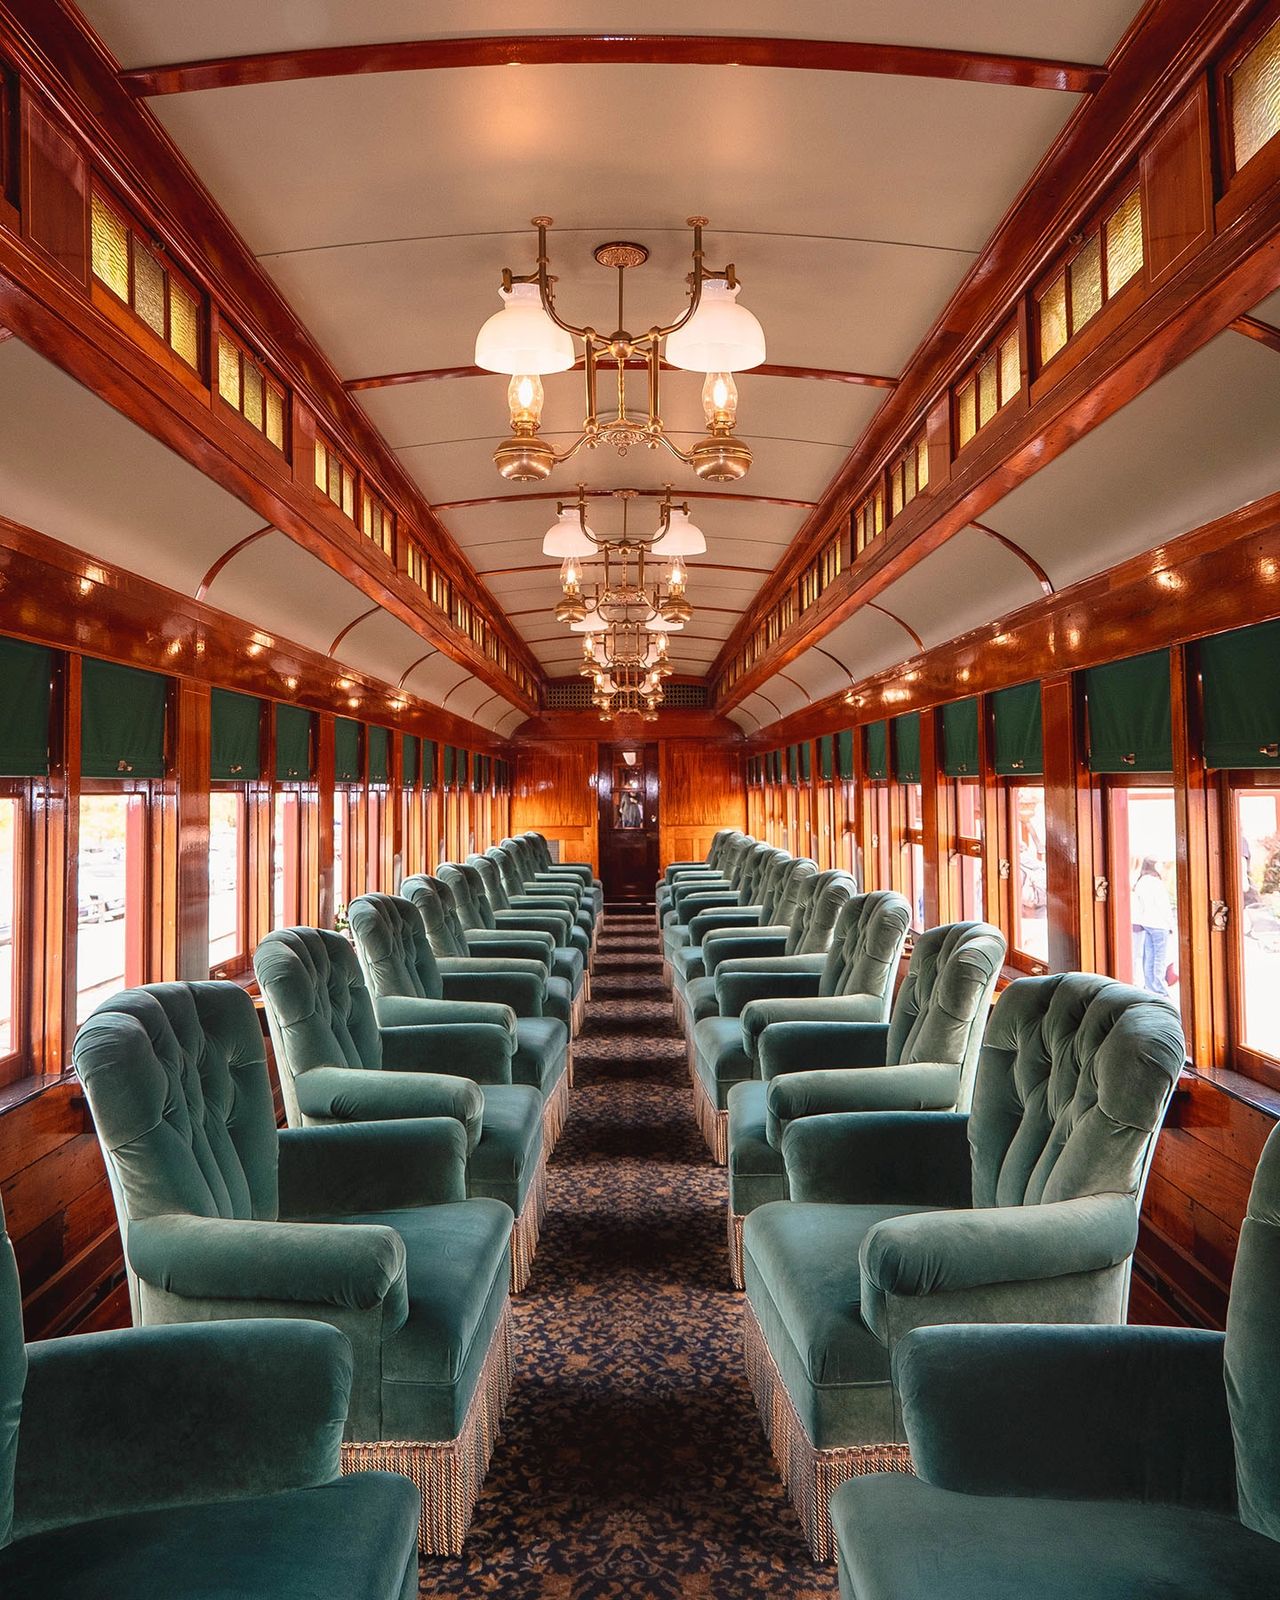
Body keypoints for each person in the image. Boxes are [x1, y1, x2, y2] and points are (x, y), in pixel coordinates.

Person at [1131, 857, 1173, 996]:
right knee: (1159, 958)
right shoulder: (1156, 883)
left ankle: (1150, 986)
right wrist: (1170, 923)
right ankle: (1159, 987)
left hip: (1146, 922)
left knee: (1148, 956)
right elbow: (1163, 906)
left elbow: (1139, 904)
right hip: (1160, 924)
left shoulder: (1141, 881)